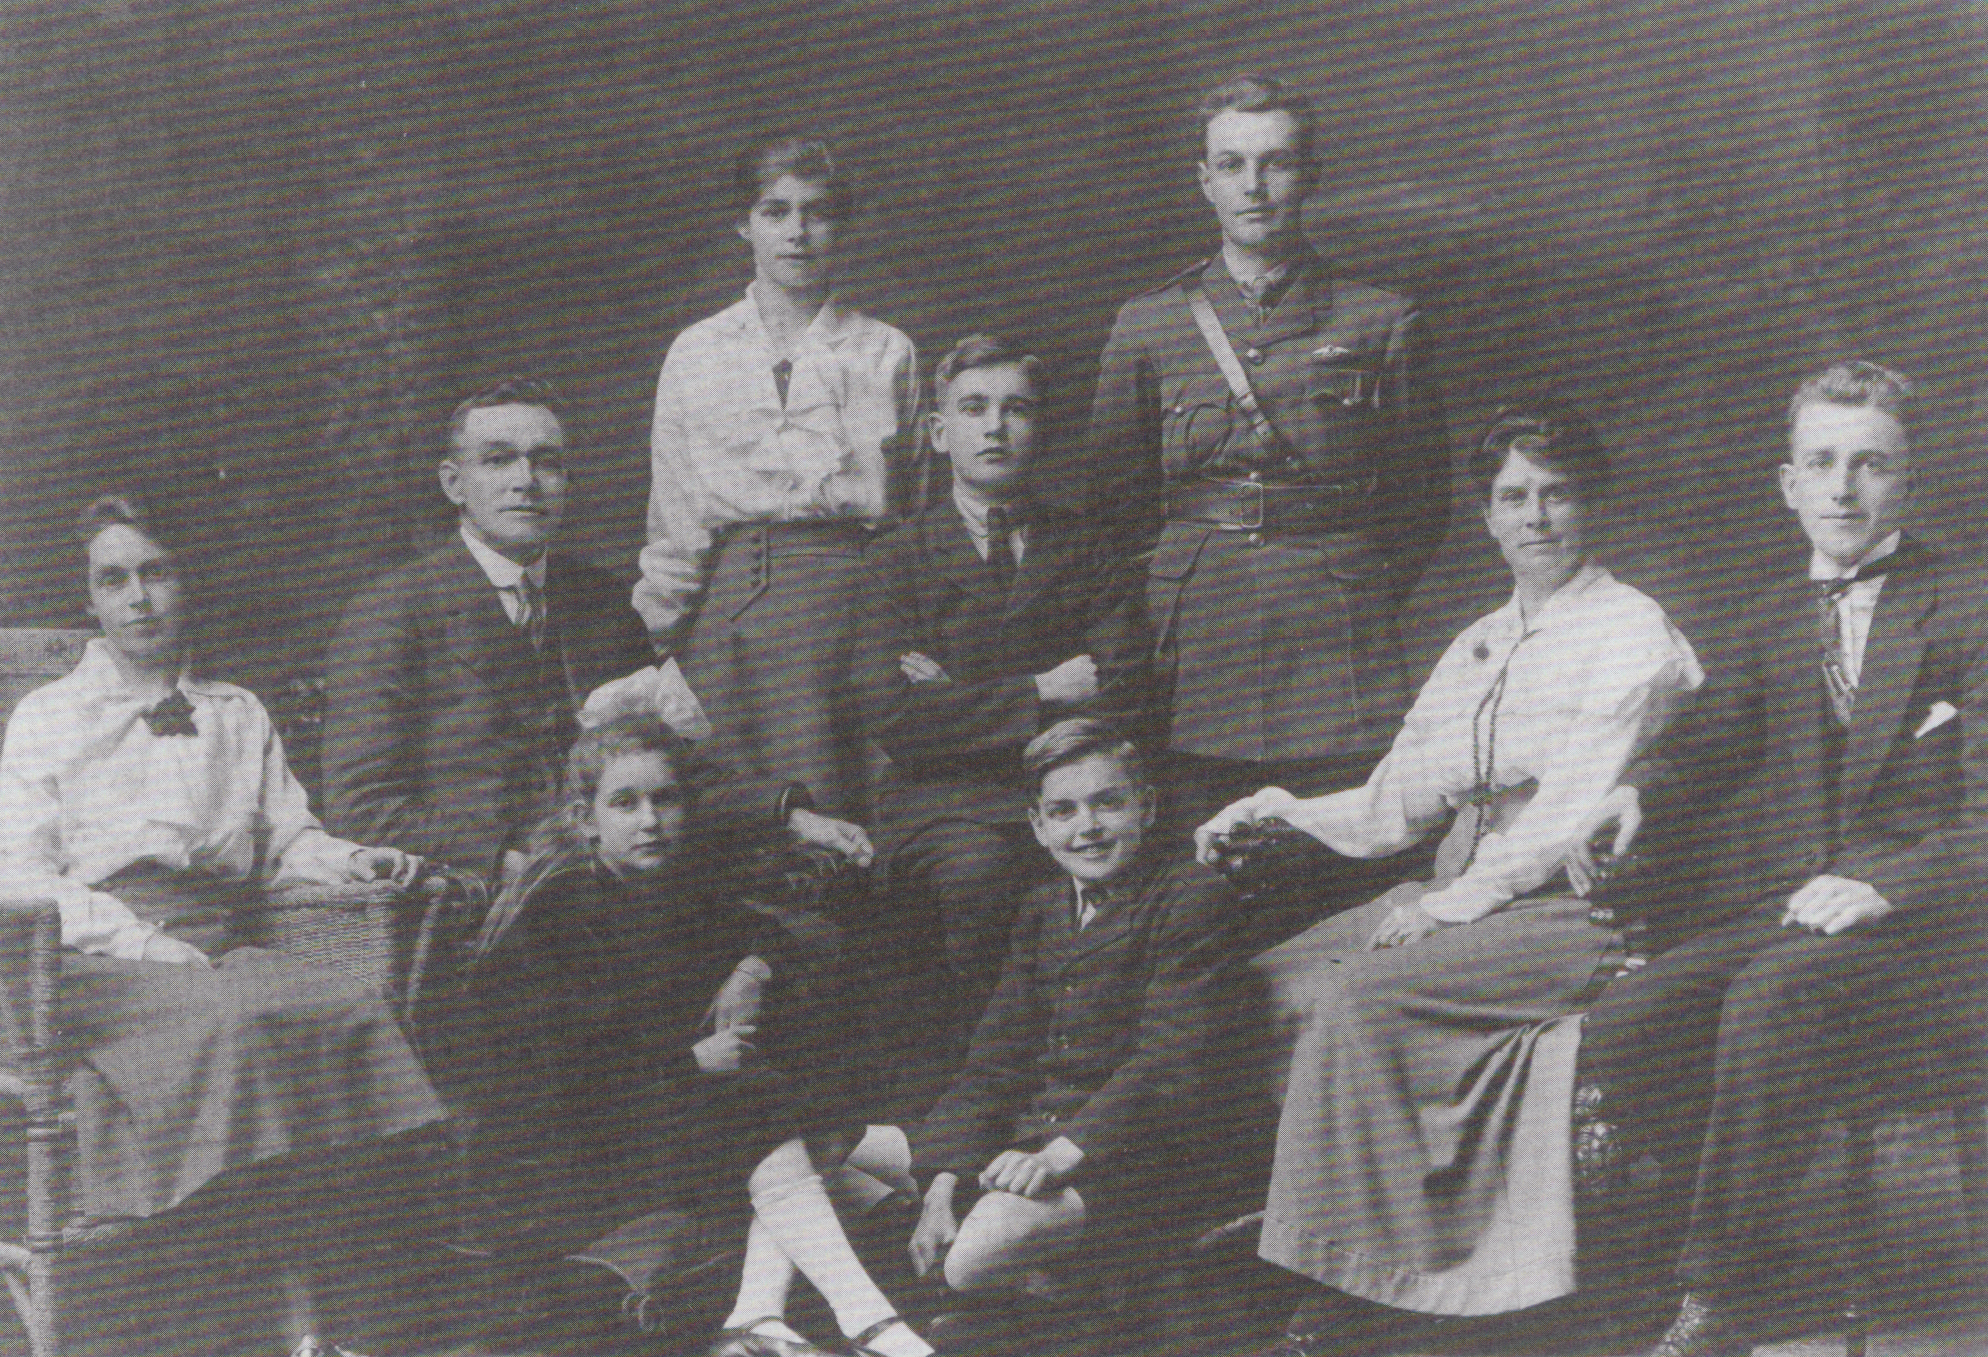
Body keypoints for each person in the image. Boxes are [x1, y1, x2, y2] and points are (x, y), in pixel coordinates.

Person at [1193, 400, 1703, 1348]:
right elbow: (1399, 801)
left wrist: (1448, 906)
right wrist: (1276, 807)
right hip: (1457, 891)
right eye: (1514, 497)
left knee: (1358, 1001)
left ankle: (1346, 1291)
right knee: (1265, 984)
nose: (1536, 516)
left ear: (1592, 503)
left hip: (1569, 910)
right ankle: (1333, 1228)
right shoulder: (1477, 641)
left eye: (1557, 493)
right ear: (1487, 516)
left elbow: (1564, 815)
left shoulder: (1632, 630)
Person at [1571, 362, 1988, 1357]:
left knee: (1772, 994)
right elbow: (1712, 737)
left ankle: (1717, 1298)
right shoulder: (1770, 616)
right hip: (1802, 910)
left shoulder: (1970, 606)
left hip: (1945, 929)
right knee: (1629, 1016)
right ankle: (1694, 1262)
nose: (1843, 489)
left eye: (1870, 464)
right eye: (1820, 463)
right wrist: (1638, 790)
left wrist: (1883, 883)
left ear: (1908, 484)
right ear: (1785, 483)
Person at [0, 493, 448, 1355]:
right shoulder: (47, 715)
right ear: (89, 598)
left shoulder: (237, 711)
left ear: (187, 581)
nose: (138, 599)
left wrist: (353, 862)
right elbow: (17, 872)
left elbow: (286, 839)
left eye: (156, 573)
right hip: (81, 964)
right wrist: (139, 938)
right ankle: (241, 1314)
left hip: (213, 946)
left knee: (344, 1005)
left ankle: (327, 1310)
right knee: (239, 1020)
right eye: (114, 579)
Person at [461, 714, 933, 1357]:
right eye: (625, 803)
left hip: (645, 1116)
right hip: (558, 1153)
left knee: (776, 1070)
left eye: (665, 799)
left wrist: (751, 967)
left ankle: (759, 1313)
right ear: (586, 817)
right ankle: (869, 1315)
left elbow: (749, 933)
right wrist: (690, 1063)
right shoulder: (560, 907)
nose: (650, 820)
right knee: (755, 1105)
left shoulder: (662, 883)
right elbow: (555, 1080)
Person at [1083, 73, 1450, 837]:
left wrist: (1353, 583)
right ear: (1204, 180)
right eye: (1232, 165)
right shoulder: (1147, 325)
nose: (1255, 186)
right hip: (1196, 633)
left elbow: (1421, 500)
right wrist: (1172, 593)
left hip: (1334, 633)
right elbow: (1115, 507)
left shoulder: (1381, 318)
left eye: (1277, 163)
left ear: (1310, 176)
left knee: (1341, 846)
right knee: (1197, 849)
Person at [862, 335, 1151, 1094]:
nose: (995, 427)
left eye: (1016, 409)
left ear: (1042, 427)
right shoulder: (898, 556)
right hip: (941, 806)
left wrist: (959, 694)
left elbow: (1122, 682)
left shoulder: (1086, 544)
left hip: (1065, 790)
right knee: (983, 873)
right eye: (974, 408)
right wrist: (1045, 688)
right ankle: (979, 1087)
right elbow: (894, 715)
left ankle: (1087, 1080)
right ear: (937, 431)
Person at [634, 133, 922, 824]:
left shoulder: (887, 352)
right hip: (735, 613)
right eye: (775, 210)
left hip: (858, 608)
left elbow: (914, 507)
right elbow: (674, 516)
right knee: (752, 813)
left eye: (817, 212)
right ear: (745, 223)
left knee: (862, 809)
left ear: (841, 225)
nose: (797, 232)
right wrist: (660, 639)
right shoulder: (697, 352)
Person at [902, 719, 1234, 1313]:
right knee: (846, 1156)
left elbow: (1169, 1063)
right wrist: (943, 1182)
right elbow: (993, 1062)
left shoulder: (1191, 896)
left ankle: (1043, 1309)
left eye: (1108, 803)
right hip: (1029, 1138)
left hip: (1129, 1149)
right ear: (1037, 826)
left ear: (1147, 808)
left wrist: (1059, 1153)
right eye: (1063, 811)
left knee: (974, 1255)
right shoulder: (1042, 909)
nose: (1088, 829)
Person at [323, 377, 653, 882]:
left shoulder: (603, 601)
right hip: (477, 899)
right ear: (454, 483)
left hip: (620, 883)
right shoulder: (391, 613)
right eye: (499, 460)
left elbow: (659, 756)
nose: (526, 480)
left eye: (546, 462)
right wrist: (502, 860)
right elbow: (361, 805)